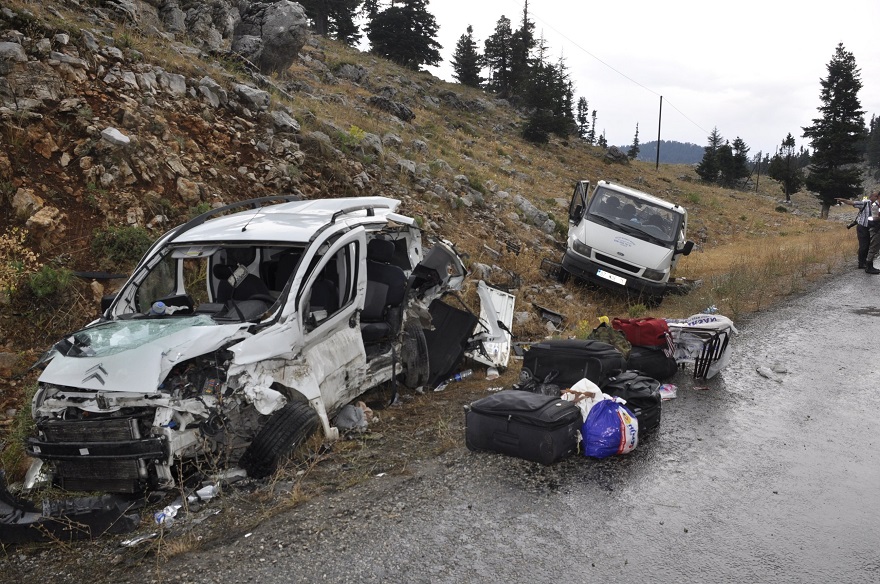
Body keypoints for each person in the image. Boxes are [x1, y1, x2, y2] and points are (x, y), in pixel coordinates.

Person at [836, 193, 879, 273]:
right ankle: (861, 263)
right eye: (876, 196)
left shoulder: (875, 205)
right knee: (864, 245)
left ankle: (865, 262)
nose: (876, 198)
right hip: (862, 227)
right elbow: (852, 203)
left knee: (868, 245)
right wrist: (843, 200)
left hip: (870, 227)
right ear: (872, 197)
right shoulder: (865, 203)